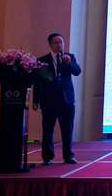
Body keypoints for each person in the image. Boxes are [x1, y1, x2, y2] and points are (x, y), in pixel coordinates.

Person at [32, 32, 82, 165]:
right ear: (50, 45)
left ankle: (68, 156)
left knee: (67, 129)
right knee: (48, 129)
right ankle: (47, 156)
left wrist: (69, 63)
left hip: (67, 100)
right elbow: (37, 82)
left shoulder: (70, 57)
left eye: (61, 42)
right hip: (48, 100)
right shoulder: (42, 61)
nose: (59, 45)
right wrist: (36, 100)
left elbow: (77, 71)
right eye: (56, 42)